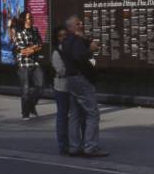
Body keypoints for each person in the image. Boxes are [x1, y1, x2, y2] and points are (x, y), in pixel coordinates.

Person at [57, 14, 104, 157]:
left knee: (75, 114)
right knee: (92, 113)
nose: (81, 25)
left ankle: (74, 146)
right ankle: (91, 147)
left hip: (71, 80)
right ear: (71, 27)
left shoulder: (66, 41)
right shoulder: (76, 41)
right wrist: (91, 50)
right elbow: (79, 56)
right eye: (78, 24)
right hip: (81, 79)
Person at [11, 16, 49, 119]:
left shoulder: (35, 30)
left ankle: (31, 104)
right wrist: (34, 48)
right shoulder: (19, 32)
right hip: (24, 64)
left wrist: (32, 49)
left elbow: (40, 44)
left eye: (31, 18)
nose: (30, 20)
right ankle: (25, 113)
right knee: (25, 89)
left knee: (40, 86)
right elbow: (22, 51)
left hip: (35, 62)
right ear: (24, 21)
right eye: (28, 18)